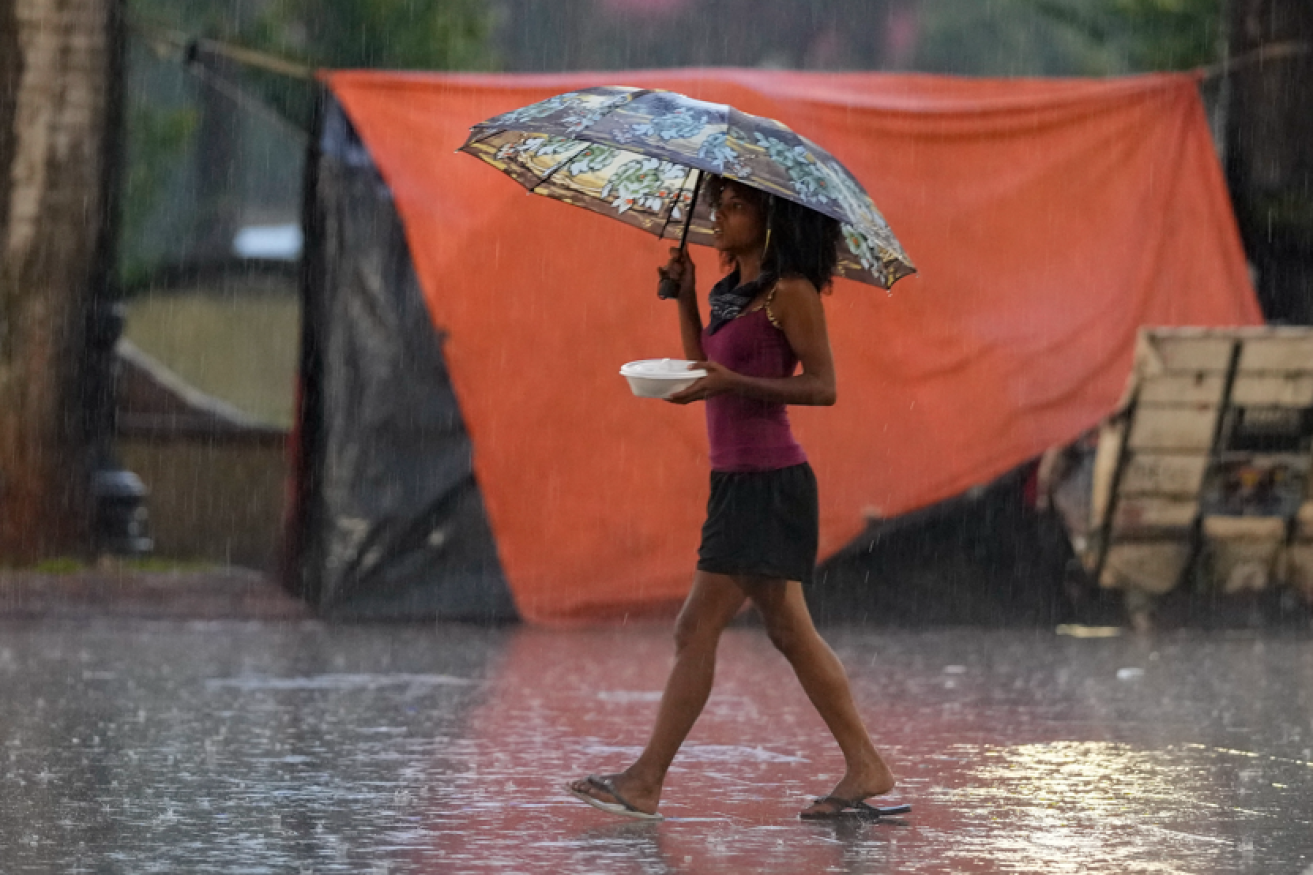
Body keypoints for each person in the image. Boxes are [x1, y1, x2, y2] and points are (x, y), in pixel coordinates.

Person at [567, 176, 900, 821]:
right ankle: (866, 765)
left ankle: (645, 780)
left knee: (698, 626)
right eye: (718, 203)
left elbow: (824, 387)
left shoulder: (790, 294)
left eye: (737, 205)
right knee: (790, 632)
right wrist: (687, 300)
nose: (721, 215)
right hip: (738, 481)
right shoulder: (729, 295)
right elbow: (704, 373)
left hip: (769, 483)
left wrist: (736, 380)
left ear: (771, 217)